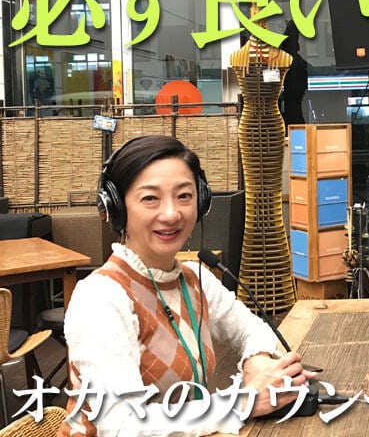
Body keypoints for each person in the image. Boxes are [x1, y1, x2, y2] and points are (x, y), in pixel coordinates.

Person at [61, 135, 315, 436]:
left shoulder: (195, 279)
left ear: (202, 200)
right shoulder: (100, 298)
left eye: (184, 196)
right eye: (150, 198)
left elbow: (253, 328)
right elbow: (123, 425)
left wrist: (257, 362)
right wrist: (242, 403)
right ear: (116, 208)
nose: (171, 214)